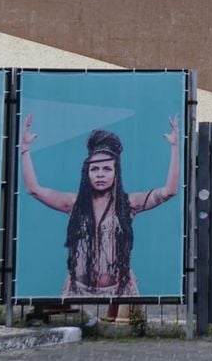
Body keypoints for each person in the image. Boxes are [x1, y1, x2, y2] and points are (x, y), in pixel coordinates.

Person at [20, 114, 181, 302]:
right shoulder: (75, 204)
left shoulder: (127, 204)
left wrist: (175, 147)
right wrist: (24, 149)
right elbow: (33, 189)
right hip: (77, 290)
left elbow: (169, 191)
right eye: (94, 169)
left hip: (120, 291)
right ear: (86, 173)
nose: (100, 175)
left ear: (116, 173)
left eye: (107, 169)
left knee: (124, 327)